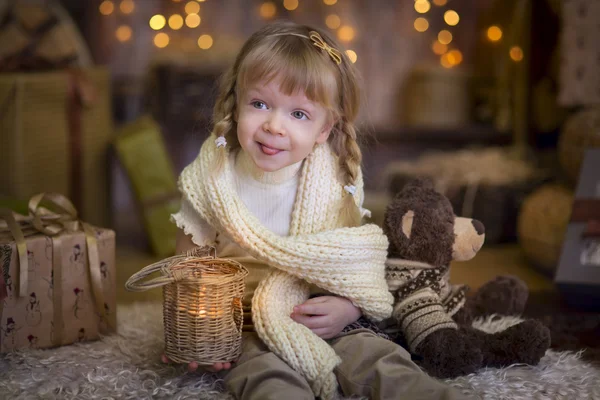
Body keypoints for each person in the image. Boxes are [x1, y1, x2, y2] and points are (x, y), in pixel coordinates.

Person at [167, 20, 469, 400]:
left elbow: (354, 263)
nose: (274, 125)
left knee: (379, 359)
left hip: (321, 313)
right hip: (243, 321)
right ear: (236, 102)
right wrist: (199, 331)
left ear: (324, 129)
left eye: (299, 115)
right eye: (259, 104)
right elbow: (187, 266)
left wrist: (347, 307)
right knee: (266, 376)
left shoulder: (335, 177)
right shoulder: (211, 178)